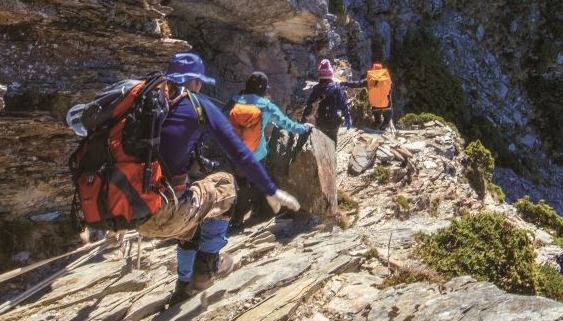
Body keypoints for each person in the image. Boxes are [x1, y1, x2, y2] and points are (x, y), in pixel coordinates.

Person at [73, 52, 302, 306]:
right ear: (195, 81)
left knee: (192, 216)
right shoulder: (198, 105)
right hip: (161, 213)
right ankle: (209, 264)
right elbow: (241, 155)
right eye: (199, 81)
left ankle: (184, 287)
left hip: (125, 209)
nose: (200, 86)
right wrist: (271, 190)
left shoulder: (143, 100)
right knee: (225, 183)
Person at [227, 71, 311, 230]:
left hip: (235, 154)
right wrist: (303, 128)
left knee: (241, 184)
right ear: (263, 89)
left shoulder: (234, 100)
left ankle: (237, 217)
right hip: (257, 154)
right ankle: (257, 208)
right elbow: (285, 123)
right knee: (258, 180)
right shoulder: (266, 105)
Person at [302, 58, 354, 145]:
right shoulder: (337, 89)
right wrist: (348, 117)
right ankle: (332, 156)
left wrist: (303, 120)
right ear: (331, 75)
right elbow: (343, 105)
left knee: (321, 144)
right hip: (333, 122)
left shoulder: (316, 90)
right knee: (333, 141)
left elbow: (309, 106)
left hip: (320, 122)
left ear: (320, 76)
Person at [364, 60, 394, 130]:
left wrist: (344, 83)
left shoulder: (369, 80)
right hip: (386, 106)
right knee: (387, 119)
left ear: (373, 69)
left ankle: (378, 123)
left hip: (375, 106)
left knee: (377, 118)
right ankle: (382, 128)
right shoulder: (387, 80)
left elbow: (357, 84)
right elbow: (391, 89)